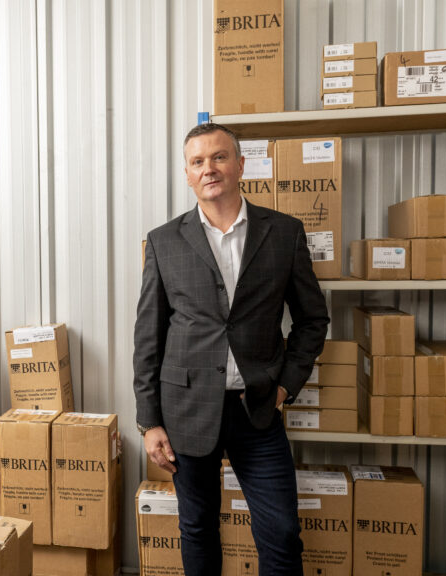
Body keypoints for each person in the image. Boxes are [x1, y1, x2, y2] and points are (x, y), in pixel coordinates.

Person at [133, 122, 329, 575]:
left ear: (241, 165)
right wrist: (149, 420)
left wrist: (284, 388)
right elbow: (148, 336)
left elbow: (312, 319)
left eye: (219, 157)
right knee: (197, 528)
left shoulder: (283, 232)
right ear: (187, 174)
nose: (209, 169)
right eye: (198, 161)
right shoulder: (164, 242)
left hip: (256, 408)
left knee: (281, 534)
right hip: (186, 410)